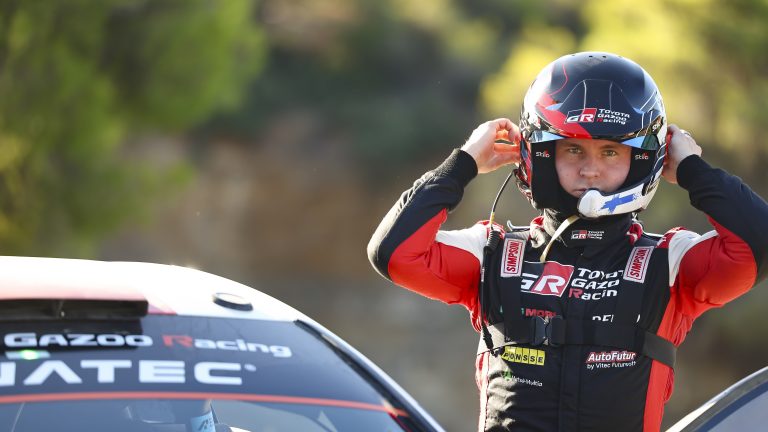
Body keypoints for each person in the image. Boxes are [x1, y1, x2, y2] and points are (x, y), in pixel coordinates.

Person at [366, 51, 768, 431]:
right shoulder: (491, 252)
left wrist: (694, 169)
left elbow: (759, 244)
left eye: (610, 152)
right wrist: (465, 161)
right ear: (540, 156)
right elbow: (393, 252)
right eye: (573, 149)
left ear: (641, 160)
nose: (590, 170)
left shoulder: (671, 263)